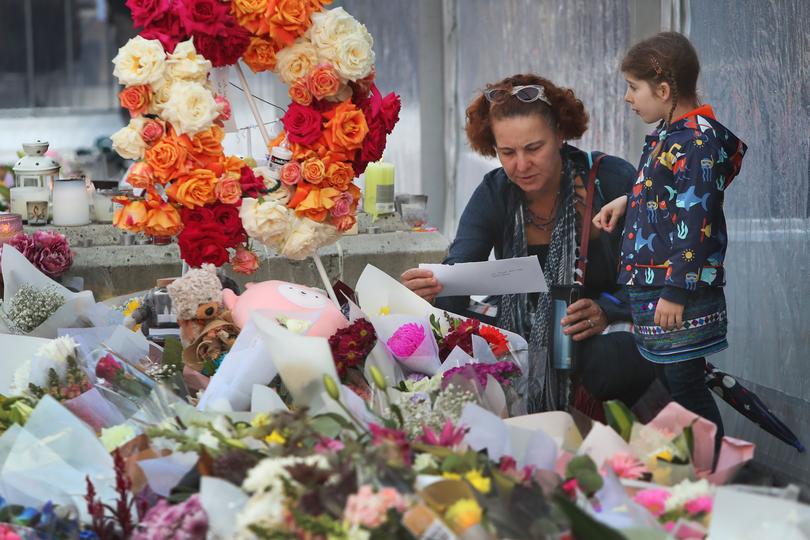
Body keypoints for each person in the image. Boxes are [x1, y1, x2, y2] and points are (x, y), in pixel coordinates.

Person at [401, 73, 655, 413]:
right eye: (507, 152)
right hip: (520, 331)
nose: (521, 165)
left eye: (534, 148)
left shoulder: (609, 179)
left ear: (561, 133)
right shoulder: (495, 192)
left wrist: (608, 310)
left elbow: (655, 271)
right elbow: (460, 269)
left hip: (604, 335)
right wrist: (433, 286)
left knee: (603, 358)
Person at [593, 32, 747, 446]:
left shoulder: (696, 142)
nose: (627, 98)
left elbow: (698, 221)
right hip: (658, 285)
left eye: (633, 87)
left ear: (663, 89)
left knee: (685, 386)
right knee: (669, 380)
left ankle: (714, 471)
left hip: (676, 288)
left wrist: (677, 290)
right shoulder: (673, 133)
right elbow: (674, 193)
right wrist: (629, 200)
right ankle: (689, 471)